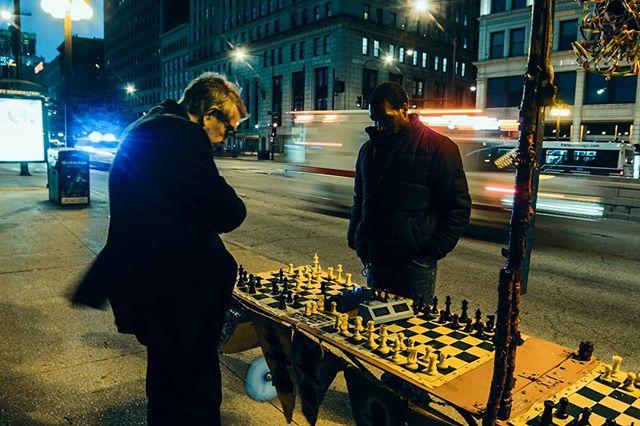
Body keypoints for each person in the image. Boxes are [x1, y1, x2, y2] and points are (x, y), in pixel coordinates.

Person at [71, 72, 248, 425]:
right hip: (178, 295)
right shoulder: (180, 136)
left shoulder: (147, 125)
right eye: (227, 128)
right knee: (194, 392)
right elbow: (228, 210)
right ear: (209, 114)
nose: (225, 139)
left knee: (166, 383)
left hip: (151, 286)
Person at [347, 82, 471, 302]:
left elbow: (457, 206)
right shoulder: (368, 150)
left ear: (404, 109)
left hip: (414, 265)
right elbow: (360, 198)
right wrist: (357, 239)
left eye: (386, 118)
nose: (380, 126)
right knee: (376, 328)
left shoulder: (439, 147)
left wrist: (430, 252)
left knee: (412, 331)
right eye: (375, 119)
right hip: (375, 258)